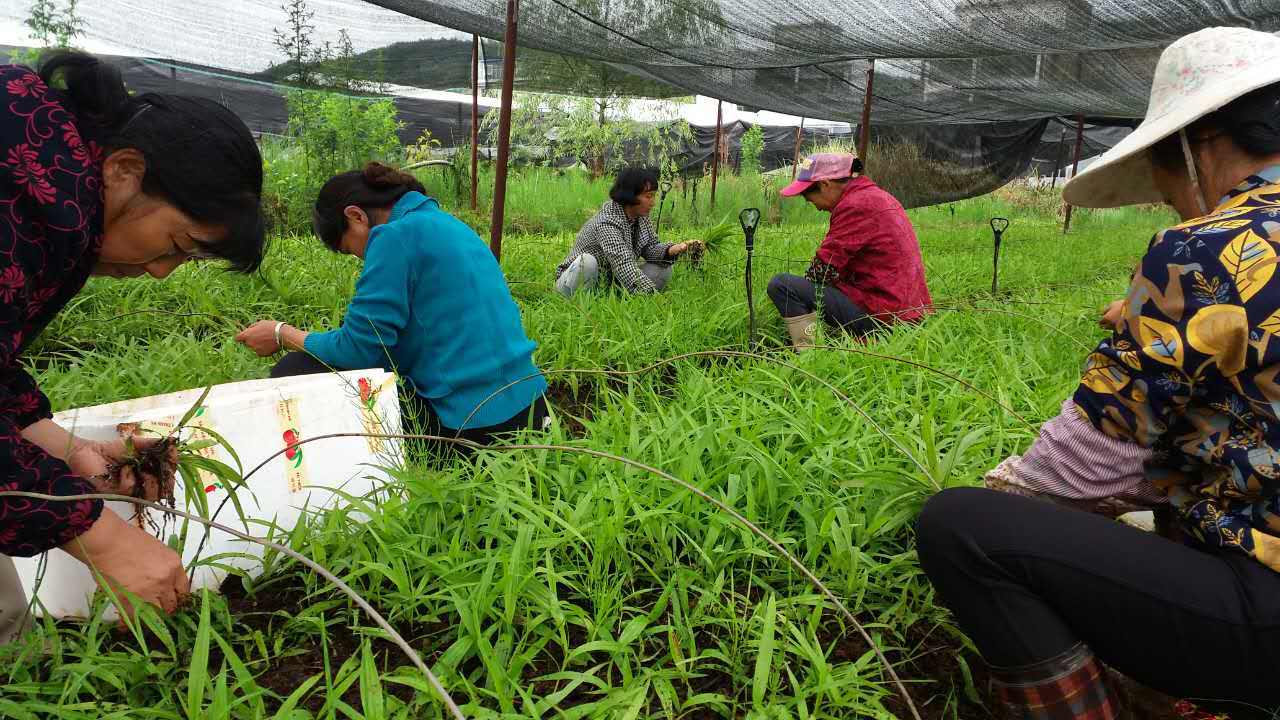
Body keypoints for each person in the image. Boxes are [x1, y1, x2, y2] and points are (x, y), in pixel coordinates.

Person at [917, 27, 1280, 719]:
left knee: (961, 530)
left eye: (1162, 176)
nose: (1167, 199)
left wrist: (1004, 487)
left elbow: (1083, 468)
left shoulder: (1210, 247)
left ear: (1198, 144)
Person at [0, 53, 267, 639]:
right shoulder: (18, 206)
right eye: (178, 242)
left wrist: (66, 447)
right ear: (123, 169)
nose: (163, 273)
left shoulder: (49, 193)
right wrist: (103, 538)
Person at [236, 163, 548, 451]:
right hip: (531, 407)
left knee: (297, 369)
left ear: (356, 216)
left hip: (474, 424)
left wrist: (281, 333)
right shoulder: (446, 224)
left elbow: (357, 349)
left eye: (350, 249)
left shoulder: (393, 237)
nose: (360, 258)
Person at [768, 152, 932, 350]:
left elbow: (822, 269)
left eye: (811, 199)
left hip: (887, 318)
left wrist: (802, 301)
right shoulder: (877, 196)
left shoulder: (855, 205)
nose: (817, 207)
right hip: (906, 311)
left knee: (782, 285)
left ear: (825, 184)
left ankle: (808, 352)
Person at [555, 167, 694, 297]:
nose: (653, 202)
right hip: (571, 282)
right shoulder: (606, 222)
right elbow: (623, 264)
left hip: (609, 282)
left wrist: (673, 249)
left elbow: (650, 248)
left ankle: (617, 297)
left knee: (663, 268)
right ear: (630, 195)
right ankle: (578, 301)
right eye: (648, 196)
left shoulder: (641, 218)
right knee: (587, 262)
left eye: (654, 196)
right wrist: (655, 296)